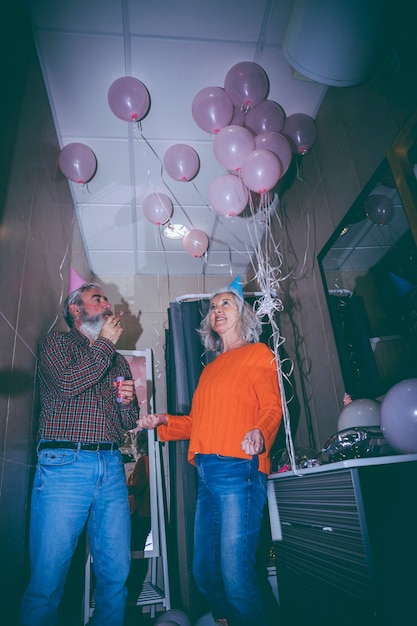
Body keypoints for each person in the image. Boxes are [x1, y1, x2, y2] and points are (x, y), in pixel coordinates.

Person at [137, 287, 283, 626]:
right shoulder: (209, 369)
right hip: (206, 474)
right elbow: (197, 424)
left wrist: (260, 431)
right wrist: (164, 421)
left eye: (226, 303)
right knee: (205, 573)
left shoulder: (258, 353)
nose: (217, 309)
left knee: (237, 577)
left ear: (242, 314)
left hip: (239, 469)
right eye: (213, 306)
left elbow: (272, 407)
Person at [19, 283, 140, 626]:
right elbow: (68, 384)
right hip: (65, 466)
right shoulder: (57, 344)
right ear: (76, 310)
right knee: (47, 579)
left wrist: (128, 404)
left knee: (116, 576)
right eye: (97, 298)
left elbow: (127, 423)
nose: (106, 304)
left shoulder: (117, 361)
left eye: (106, 299)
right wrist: (105, 343)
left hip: (112, 466)